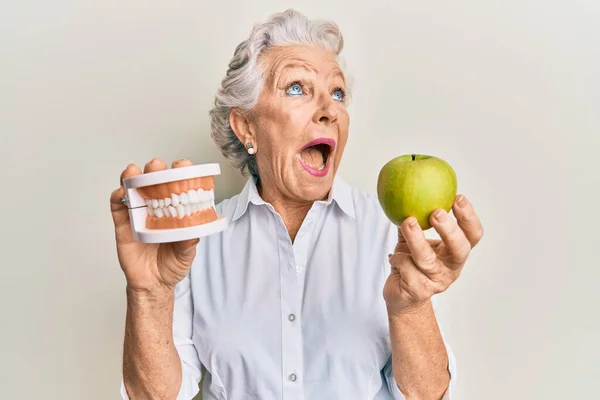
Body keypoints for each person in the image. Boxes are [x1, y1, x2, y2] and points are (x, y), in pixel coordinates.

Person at [110, 9, 484, 400]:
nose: (329, 109)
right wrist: (149, 294)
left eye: (337, 93)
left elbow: (429, 396)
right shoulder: (193, 243)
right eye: (297, 88)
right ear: (246, 127)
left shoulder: (390, 233)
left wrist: (411, 309)